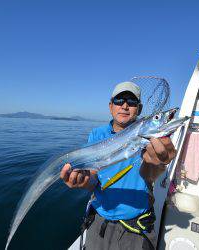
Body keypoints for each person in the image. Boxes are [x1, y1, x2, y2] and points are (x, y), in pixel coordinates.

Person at [60, 81, 176, 250]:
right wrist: (84, 181)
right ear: (110, 106)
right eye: (119, 100)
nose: (125, 105)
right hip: (99, 219)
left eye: (131, 101)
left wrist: (158, 163)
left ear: (140, 109)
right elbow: (94, 178)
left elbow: (149, 176)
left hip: (135, 227)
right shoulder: (97, 134)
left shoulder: (149, 140)